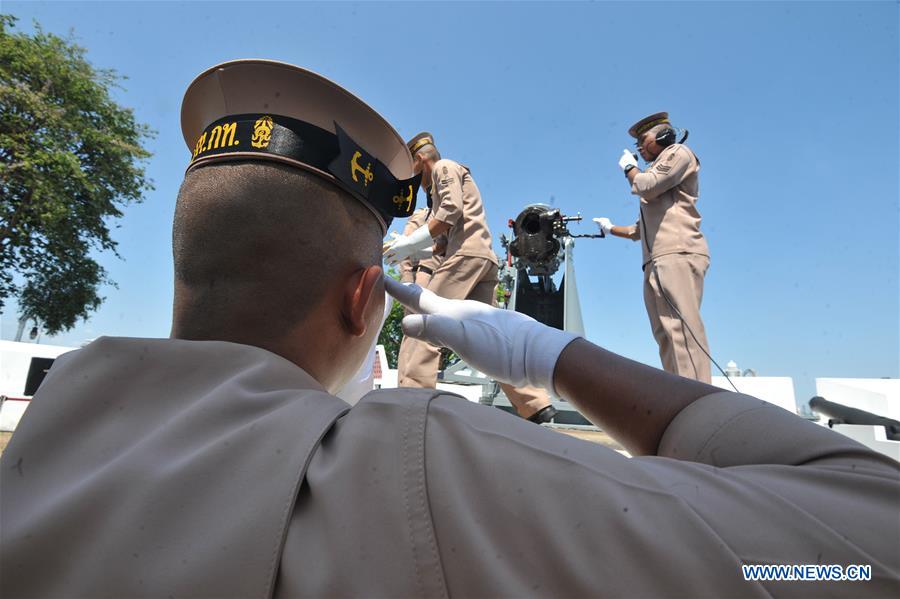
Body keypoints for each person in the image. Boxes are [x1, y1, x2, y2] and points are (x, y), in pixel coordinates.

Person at [1, 61, 898, 599]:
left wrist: (408, 247)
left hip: (460, 260)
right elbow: (856, 559)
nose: (428, 164)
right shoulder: (426, 471)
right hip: (454, 287)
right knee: (448, 348)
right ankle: (533, 395)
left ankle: (524, 396)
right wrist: (549, 348)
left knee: (639, 331)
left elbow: (450, 224)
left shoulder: (48, 434)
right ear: (362, 301)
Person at [384, 133, 556, 422]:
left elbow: (452, 211)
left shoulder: (443, 168)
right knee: (488, 337)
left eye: (410, 169)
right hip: (480, 259)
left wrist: (412, 243)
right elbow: (443, 239)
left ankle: (412, 406)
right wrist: (411, 246)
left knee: (424, 325)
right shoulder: (439, 186)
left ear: (420, 160)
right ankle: (534, 403)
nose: (411, 178)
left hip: (466, 256)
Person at [594, 112, 712, 382]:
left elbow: (646, 185)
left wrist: (628, 168)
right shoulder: (657, 178)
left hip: (677, 252)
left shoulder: (678, 152)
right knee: (666, 333)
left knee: (682, 332)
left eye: (643, 141)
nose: (639, 149)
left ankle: (698, 399)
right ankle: (680, 393)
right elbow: (638, 230)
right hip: (657, 260)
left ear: (663, 136)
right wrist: (610, 228)